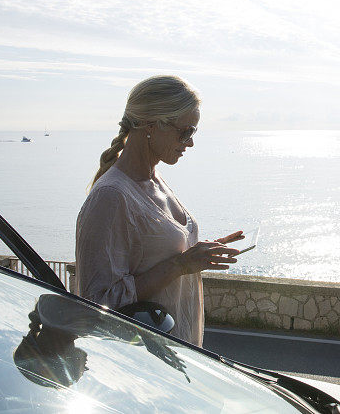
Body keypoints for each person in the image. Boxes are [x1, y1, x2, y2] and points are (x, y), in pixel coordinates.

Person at [75, 75, 242, 346]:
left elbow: (154, 251)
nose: (190, 143)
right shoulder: (111, 197)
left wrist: (196, 252)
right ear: (151, 125)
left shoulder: (155, 178)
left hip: (178, 352)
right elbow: (96, 302)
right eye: (185, 131)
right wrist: (179, 265)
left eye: (193, 132)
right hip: (145, 367)